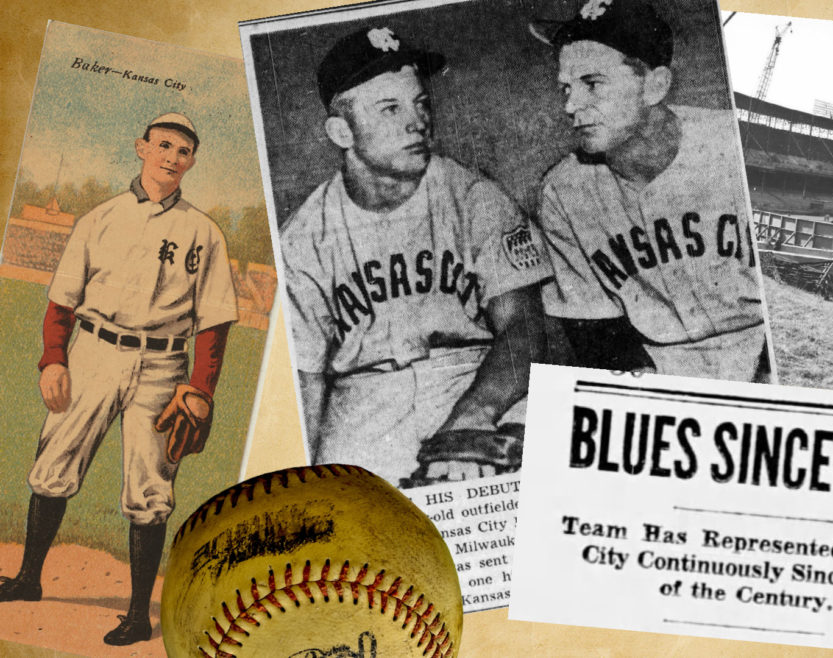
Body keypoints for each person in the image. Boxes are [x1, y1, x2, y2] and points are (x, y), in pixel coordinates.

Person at [0, 113, 237, 645]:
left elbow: (216, 320)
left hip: (162, 366)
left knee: (150, 486)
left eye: (183, 150)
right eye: (163, 145)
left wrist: (201, 388)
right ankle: (27, 578)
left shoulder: (204, 232)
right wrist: (54, 359)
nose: (172, 156)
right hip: (95, 353)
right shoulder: (99, 218)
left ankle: (136, 614)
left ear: (192, 161)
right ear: (141, 148)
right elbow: (62, 300)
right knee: (54, 463)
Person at [281, 26, 550, 487]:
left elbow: (523, 330)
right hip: (362, 403)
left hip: (471, 377)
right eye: (390, 108)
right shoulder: (302, 239)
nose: (417, 122)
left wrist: (470, 418)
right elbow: (304, 384)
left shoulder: (474, 197)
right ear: (342, 131)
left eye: (420, 103)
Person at [529, 0, 769, 381]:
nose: (571, 106)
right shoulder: (562, 190)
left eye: (592, 84)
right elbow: (595, 332)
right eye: (566, 88)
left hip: (765, 350)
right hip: (659, 367)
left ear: (655, 86)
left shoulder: (731, 145)